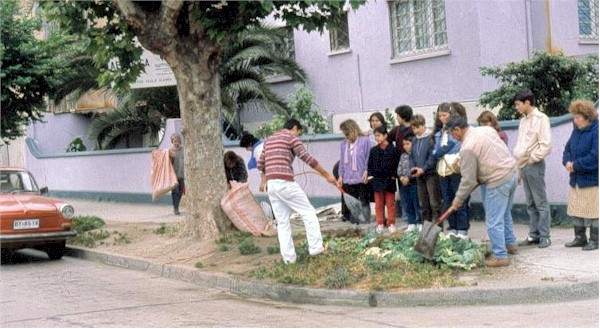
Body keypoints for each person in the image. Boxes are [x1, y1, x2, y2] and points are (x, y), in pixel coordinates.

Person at [257, 119, 336, 264]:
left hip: (272, 185)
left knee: (282, 222)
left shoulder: (269, 139)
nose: (298, 136)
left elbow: (260, 163)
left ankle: (288, 259)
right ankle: (316, 249)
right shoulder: (291, 137)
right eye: (298, 132)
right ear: (295, 128)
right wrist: (327, 175)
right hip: (285, 183)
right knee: (309, 212)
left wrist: (263, 180)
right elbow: (308, 159)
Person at [446, 116, 518, 267]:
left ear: (458, 129)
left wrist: (458, 200)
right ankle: (510, 244)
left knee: (493, 221)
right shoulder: (486, 130)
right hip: (511, 174)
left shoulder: (468, 147)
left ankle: (500, 256)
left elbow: (468, 180)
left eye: (453, 134)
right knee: (504, 213)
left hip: (497, 180)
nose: (453, 138)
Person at [513, 89, 553, 248]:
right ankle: (533, 235)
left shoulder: (541, 118)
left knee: (540, 202)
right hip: (523, 164)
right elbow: (520, 144)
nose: (516, 107)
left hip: (534, 164)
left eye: (518, 104)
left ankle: (545, 236)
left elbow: (546, 145)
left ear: (527, 103)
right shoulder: (523, 120)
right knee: (530, 202)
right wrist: (519, 167)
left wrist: (532, 159)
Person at [562, 100, 598, 251]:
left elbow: (596, 156)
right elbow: (568, 148)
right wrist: (567, 162)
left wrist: (575, 165)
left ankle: (595, 240)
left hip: (592, 179)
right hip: (576, 178)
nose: (575, 121)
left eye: (578, 117)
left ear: (587, 116)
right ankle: (579, 237)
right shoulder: (576, 130)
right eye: (574, 117)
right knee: (576, 209)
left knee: (594, 210)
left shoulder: (597, 130)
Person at [433, 102, 469, 238]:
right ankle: (453, 227)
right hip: (443, 169)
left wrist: (441, 151)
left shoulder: (457, 129)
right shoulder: (440, 132)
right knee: (447, 200)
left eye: (445, 115)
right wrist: (439, 151)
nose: (442, 118)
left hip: (455, 168)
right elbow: (435, 151)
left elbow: (453, 146)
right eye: (440, 116)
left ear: (451, 114)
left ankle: (462, 229)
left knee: (459, 199)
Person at [409, 114, 442, 227]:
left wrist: (424, 168)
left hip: (430, 174)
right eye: (413, 128)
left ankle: (438, 227)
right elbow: (411, 156)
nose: (416, 130)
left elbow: (432, 156)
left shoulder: (430, 138)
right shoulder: (414, 140)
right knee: (423, 203)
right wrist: (413, 167)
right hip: (419, 175)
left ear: (423, 125)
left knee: (434, 203)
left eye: (418, 127)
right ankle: (426, 226)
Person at [338, 119, 372, 226]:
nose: (346, 136)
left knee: (364, 201)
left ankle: (366, 222)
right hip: (348, 178)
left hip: (361, 177)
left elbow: (368, 158)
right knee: (352, 202)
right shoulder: (343, 144)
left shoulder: (365, 141)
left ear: (352, 130)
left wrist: (367, 170)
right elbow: (342, 161)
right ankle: (355, 223)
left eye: (346, 133)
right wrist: (340, 175)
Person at [368, 126, 400, 233]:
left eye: (379, 135)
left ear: (385, 135)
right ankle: (380, 223)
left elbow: (397, 164)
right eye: (375, 136)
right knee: (379, 203)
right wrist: (370, 174)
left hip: (389, 180)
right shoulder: (373, 150)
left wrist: (394, 175)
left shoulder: (393, 150)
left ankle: (391, 222)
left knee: (390, 203)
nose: (377, 138)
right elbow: (370, 166)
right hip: (377, 180)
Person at [397, 133, 421, 231]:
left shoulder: (416, 155)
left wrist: (408, 177)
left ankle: (419, 222)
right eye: (404, 144)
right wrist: (401, 177)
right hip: (404, 184)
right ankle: (411, 223)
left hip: (413, 183)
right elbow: (399, 168)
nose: (405, 146)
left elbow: (415, 168)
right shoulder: (403, 155)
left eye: (408, 144)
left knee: (416, 203)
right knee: (407, 203)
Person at [169, 133, 185, 215]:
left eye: (178, 141)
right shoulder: (170, 151)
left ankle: (176, 205)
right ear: (172, 141)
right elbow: (168, 164)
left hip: (182, 175)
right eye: (175, 141)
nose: (176, 142)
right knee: (175, 192)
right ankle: (176, 208)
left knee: (181, 192)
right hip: (174, 176)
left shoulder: (183, 150)